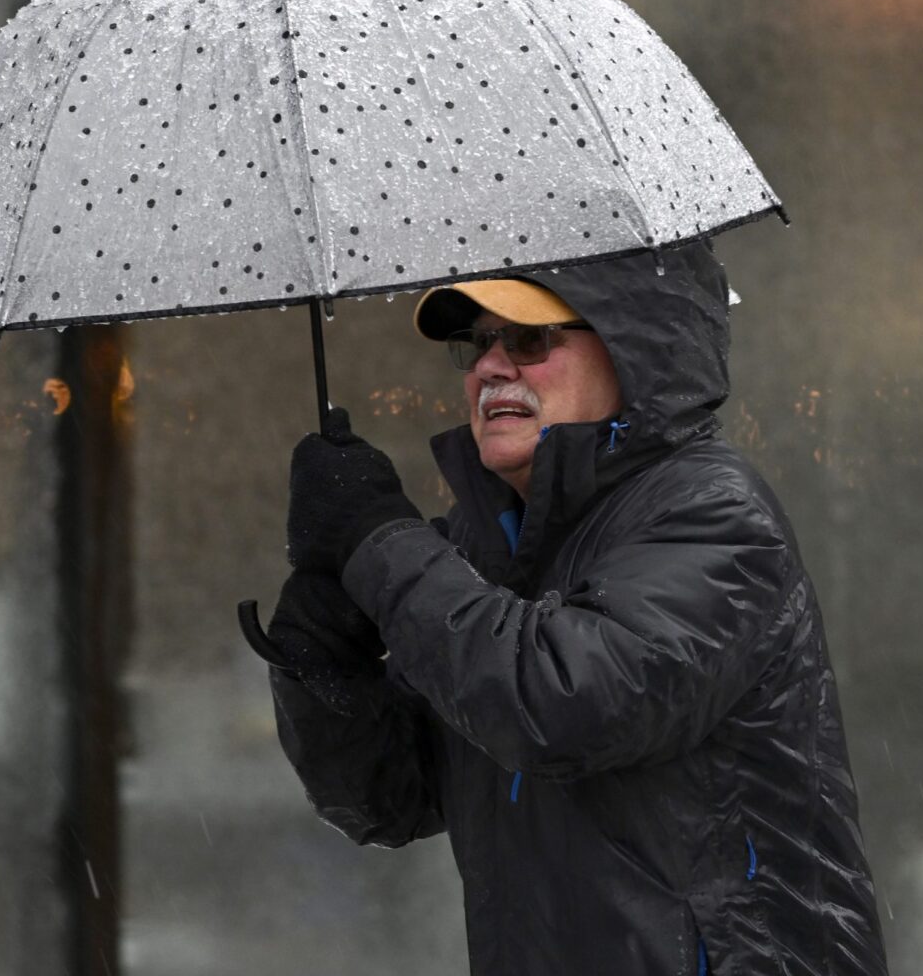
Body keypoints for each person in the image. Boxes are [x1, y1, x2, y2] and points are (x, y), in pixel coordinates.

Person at [255, 242, 887, 976]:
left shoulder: (712, 515)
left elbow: (562, 706)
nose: (492, 367)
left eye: (529, 339)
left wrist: (377, 542)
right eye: (480, 343)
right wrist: (325, 660)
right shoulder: (487, 547)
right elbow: (389, 798)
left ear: (635, 347)